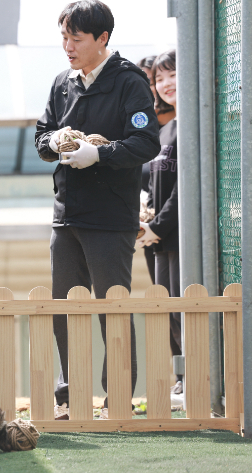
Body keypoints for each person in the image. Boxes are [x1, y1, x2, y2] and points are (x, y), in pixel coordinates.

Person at [34, 0, 160, 419]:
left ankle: (119, 399)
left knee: (113, 307)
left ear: (102, 39)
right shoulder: (61, 82)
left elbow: (146, 143)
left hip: (110, 218)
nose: (68, 46)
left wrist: (98, 155)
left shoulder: (130, 82)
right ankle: (70, 398)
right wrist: (53, 143)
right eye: (64, 37)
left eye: (76, 38)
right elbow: (40, 135)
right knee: (63, 307)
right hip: (66, 213)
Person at [136, 50, 183, 396]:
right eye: (159, 79)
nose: (164, 85)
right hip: (159, 238)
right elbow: (156, 185)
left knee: (184, 309)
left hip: (180, 236)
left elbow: (186, 189)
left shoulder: (189, 128)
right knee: (169, 310)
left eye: (172, 75)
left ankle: (195, 380)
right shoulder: (165, 132)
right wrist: (145, 215)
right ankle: (182, 380)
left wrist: (158, 225)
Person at [136, 55, 175, 285]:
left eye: (154, 80)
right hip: (150, 224)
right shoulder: (138, 127)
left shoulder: (181, 126)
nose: (156, 86)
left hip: (174, 226)